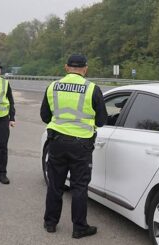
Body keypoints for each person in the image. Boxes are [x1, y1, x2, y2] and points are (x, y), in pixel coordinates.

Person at [40, 54, 107, 238]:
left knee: (55, 185)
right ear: (85, 68)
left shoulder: (53, 87)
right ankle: (79, 228)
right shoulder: (92, 89)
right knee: (79, 187)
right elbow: (101, 121)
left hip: (57, 143)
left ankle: (50, 223)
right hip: (81, 146)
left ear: (66, 67)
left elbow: (45, 116)